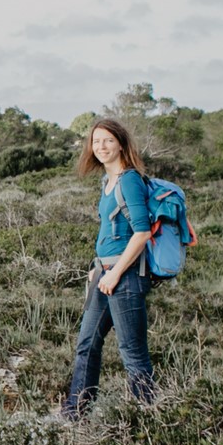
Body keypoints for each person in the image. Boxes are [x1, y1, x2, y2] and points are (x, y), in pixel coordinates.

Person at [64, 118, 155, 416]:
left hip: (126, 276)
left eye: (107, 141)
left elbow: (142, 232)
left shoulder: (129, 179)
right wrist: (98, 267)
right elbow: (109, 231)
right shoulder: (108, 181)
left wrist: (115, 273)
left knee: (132, 353)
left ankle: (148, 415)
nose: (101, 147)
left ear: (120, 143)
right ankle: (76, 413)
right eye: (96, 141)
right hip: (105, 274)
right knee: (87, 344)